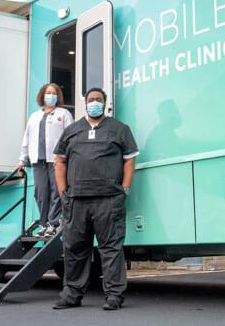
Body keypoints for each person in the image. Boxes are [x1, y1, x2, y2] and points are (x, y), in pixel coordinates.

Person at [52, 87, 138, 311]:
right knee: (75, 249)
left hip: (108, 200)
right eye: (91, 100)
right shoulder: (71, 131)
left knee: (110, 249)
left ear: (105, 103)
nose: (94, 103)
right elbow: (59, 162)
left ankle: (114, 296)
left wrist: (125, 189)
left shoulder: (120, 129)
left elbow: (129, 161)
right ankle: (71, 295)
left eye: (98, 100)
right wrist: (63, 193)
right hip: (76, 201)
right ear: (85, 104)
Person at [18, 83, 73, 237]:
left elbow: (70, 136)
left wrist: (67, 156)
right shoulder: (34, 116)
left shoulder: (64, 113)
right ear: (42, 95)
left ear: (58, 96)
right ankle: (43, 224)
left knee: (56, 191)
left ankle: (53, 223)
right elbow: (26, 138)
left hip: (56, 160)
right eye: (48, 92)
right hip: (38, 160)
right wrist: (22, 160)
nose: (51, 95)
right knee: (40, 192)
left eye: (54, 93)